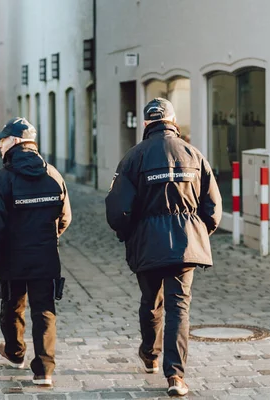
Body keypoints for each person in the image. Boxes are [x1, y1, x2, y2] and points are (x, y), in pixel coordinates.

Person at [105, 98, 222, 397]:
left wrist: (130, 235)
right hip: (185, 245)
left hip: (147, 243)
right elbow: (213, 207)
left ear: (146, 124)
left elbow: (117, 209)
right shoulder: (194, 154)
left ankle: (150, 354)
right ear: (173, 121)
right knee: (179, 308)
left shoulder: (133, 158)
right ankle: (176, 377)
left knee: (151, 302)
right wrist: (198, 232)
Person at [0, 117, 71, 387]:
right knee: (44, 311)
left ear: (14, 142)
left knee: (13, 306)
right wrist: (47, 238)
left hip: (11, 258)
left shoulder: (2, 179)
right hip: (46, 256)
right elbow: (64, 217)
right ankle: (44, 371)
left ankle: (15, 355)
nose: (0, 146)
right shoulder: (54, 174)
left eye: (2, 141)